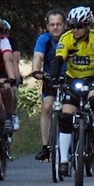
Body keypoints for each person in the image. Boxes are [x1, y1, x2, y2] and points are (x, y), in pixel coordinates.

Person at [49, 6, 94, 177]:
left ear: (87, 26)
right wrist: (54, 77)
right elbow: (58, 59)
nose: (75, 30)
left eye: (79, 27)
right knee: (66, 115)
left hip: (93, 78)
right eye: (72, 26)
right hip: (73, 79)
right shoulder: (66, 38)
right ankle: (64, 160)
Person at [31, 9, 66, 162]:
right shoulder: (44, 39)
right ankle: (46, 146)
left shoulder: (70, 38)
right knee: (47, 106)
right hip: (51, 78)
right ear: (47, 26)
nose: (55, 27)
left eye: (59, 24)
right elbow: (38, 56)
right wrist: (36, 71)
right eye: (52, 24)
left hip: (70, 77)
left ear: (65, 25)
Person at [1, 19, 22, 132]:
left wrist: (16, 78)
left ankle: (12, 115)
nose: (4, 35)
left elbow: (15, 61)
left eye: (6, 32)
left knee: (12, 90)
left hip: (8, 71)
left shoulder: (12, 42)